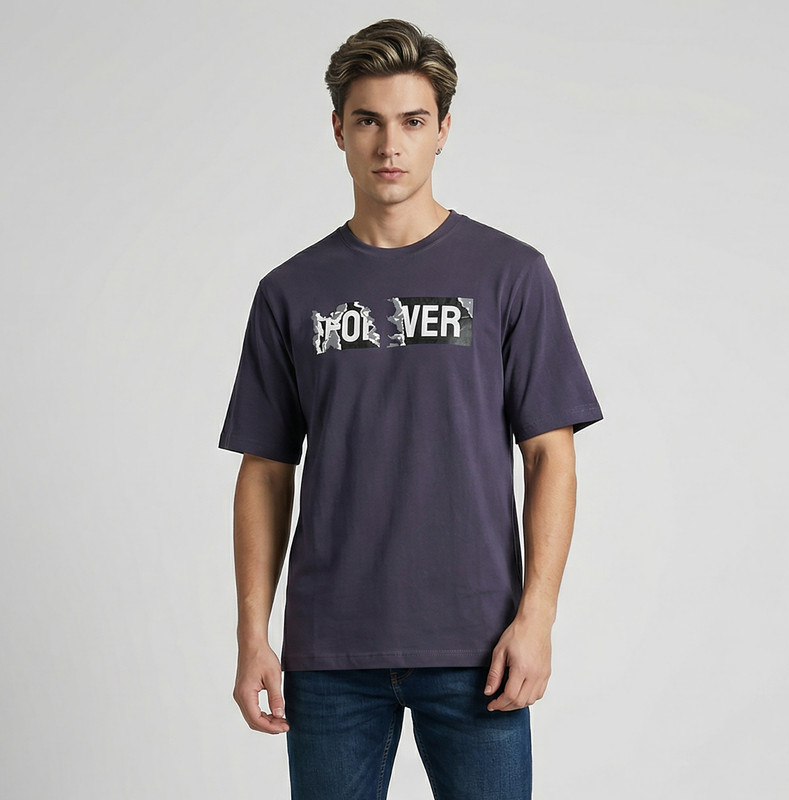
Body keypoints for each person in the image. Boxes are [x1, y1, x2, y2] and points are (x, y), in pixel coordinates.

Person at [218, 18, 603, 800]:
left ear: (443, 131)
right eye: (368, 121)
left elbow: (550, 453)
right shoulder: (290, 291)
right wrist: (252, 633)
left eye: (412, 122)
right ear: (338, 130)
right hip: (330, 654)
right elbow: (265, 470)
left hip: (478, 648)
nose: (389, 145)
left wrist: (537, 618)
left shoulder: (510, 274)